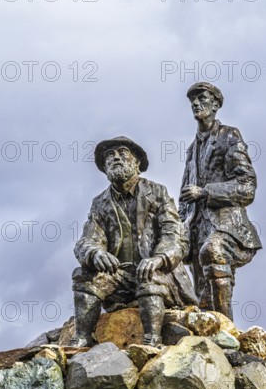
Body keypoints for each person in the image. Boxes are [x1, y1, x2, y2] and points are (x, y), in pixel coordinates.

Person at [72, 136, 197, 347]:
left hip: (160, 274)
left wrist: (159, 258)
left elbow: (175, 235)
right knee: (84, 276)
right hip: (121, 279)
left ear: (137, 162)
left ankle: (152, 339)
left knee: (148, 275)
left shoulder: (157, 192)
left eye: (122, 152)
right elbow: (86, 241)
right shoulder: (100, 203)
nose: (116, 158)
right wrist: (96, 254)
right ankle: (82, 337)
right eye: (110, 155)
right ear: (104, 167)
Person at [179, 82, 262, 320]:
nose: (195, 103)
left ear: (215, 104)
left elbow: (247, 186)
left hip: (227, 226)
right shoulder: (191, 149)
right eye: (192, 100)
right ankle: (206, 337)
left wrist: (206, 192)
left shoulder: (229, 136)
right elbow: (184, 195)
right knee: (201, 295)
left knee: (213, 251)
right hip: (196, 228)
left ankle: (227, 328)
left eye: (202, 98)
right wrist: (177, 223)